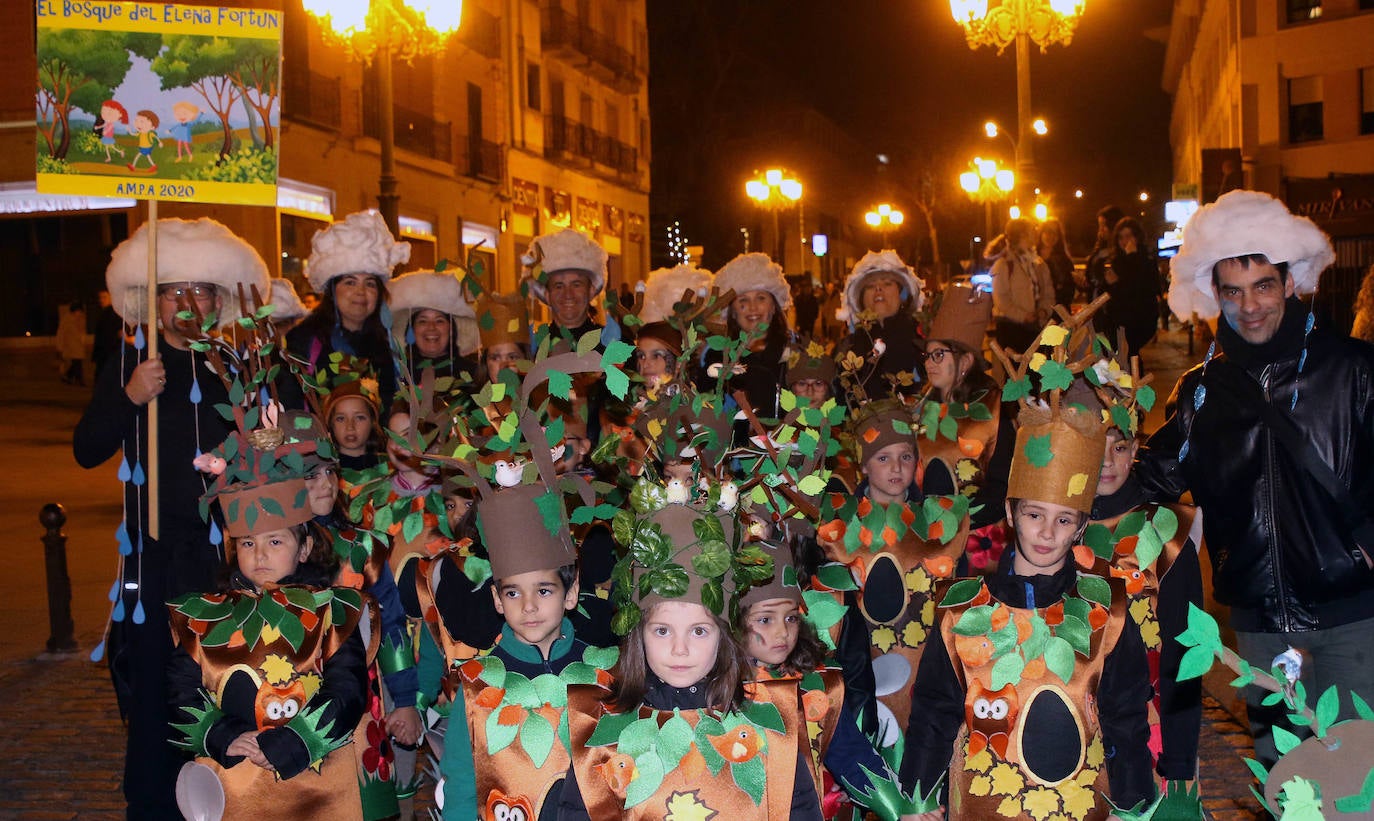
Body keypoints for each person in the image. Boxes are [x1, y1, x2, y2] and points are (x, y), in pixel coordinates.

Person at [1136, 189, 1374, 768]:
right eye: (1233, 291)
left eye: (1263, 285)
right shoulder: (1200, 391)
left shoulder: (1352, 370)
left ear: (1290, 283)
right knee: (1287, 780)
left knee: (1352, 782)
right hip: (1261, 630)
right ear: (1213, 293)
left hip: (1350, 614)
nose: (1250, 306)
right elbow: (1153, 479)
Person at [73, 217, 270, 820]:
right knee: (160, 684)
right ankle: (156, 804)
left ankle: (231, 794)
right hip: (154, 555)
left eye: (201, 290)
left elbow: (267, 454)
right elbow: (87, 448)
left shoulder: (235, 364)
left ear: (218, 297)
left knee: (226, 680)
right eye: (174, 291)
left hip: (225, 556)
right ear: (153, 299)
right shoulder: (135, 358)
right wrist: (129, 396)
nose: (189, 303)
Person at [901, 356, 1154, 820]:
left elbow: (1126, 717)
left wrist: (1134, 804)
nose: (1046, 533)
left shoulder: (1106, 611)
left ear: (1080, 528)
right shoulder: (962, 611)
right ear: (1012, 512)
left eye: (1063, 521)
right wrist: (918, 799)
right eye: (1034, 515)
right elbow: (934, 710)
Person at [558, 490, 826, 819]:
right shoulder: (603, 732)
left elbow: (800, 810)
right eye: (662, 630)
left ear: (725, 635)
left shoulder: (769, 727)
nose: (679, 649)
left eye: (699, 630)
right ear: (639, 634)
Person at [167, 424, 372, 820]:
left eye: (275, 541)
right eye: (248, 543)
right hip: (237, 780)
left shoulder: (331, 612)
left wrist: (294, 742)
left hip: (317, 781)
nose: (259, 555)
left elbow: (347, 689)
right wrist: (224, 734)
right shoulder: (206, 618)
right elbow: (180, 691)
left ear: (305, 547)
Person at [738, 541, 934, 820]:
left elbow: (850, 752)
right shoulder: (720, 690)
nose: (782, 632)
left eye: (791, 618)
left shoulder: (814, 687)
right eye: (765, 620)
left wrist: (899, 809)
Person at [815, 404, 966, 761]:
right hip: (862, 672)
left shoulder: (942, 521)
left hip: (928, 670)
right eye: (883, 458)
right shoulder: (840, 524)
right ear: (863, 466)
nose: (897, 467)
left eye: (905, 456)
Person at [917, 283, 1015, 569]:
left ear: (966, 361)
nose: (929, 364)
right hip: (926, 538)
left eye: (939, 355)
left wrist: (959, 522)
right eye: (927, 356)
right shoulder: (922, 404)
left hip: (979, 545)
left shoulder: (996, 407)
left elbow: (1002, 485)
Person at [287, 211, 409, 408]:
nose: (361, 292)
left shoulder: (387, 344)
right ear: (332, 290)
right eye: (350, 282)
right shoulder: (304, 340)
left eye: (370, 284)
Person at [709, 252, 795, 420]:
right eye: (743, 300)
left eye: (761, 298)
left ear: (773, 307)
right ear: (732, 312)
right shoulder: (716, 357)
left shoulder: (795, 352)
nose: (753, 307)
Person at [835, 250, 926, 402]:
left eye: (887, 283)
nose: (878, 289)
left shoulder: (922, 338)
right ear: (861, 299)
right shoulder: (847, 347)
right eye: (870, 286)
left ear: (901, 294)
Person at [388, 268, 480, 386]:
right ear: (411, 330)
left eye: (439, 321)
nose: (431, 327)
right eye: (422, 321)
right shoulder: (396, 374)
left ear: (451, 330)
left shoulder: (474, 374)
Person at [524, 227, 608, 342]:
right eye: (559, 286)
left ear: (591, 291)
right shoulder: (533, 350)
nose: (568, 294)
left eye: (576, 285)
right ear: (547, 295)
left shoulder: (614, 347)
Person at [1101, 217, 1162, 364]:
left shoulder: (1146, 258)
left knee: (1130, 357)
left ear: (1136, 236)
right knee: (1124, 359)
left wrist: (1132, 257)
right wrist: (1111, 283)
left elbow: (1144, 287)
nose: (1124, 241)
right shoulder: (1116, 260)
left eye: (1128, 236)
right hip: (1119, 321)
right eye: (1121, 237)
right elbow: (1115, 293)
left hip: (1140, 319)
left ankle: (1135, 384)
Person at [990, 218, 1054, 354]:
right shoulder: (1004, 264)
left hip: (1035, 327)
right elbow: (1000, 298)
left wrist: (1044, 310)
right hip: (1011, 329)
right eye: (1032, 230)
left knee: (1036, 372)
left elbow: (1048, 293)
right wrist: (1023, 315)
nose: (1036, 233)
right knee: (1016, 372)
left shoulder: (1039, 264)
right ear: (1022, 235)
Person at [1084, 205, 1125, 307]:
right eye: (1099, 225)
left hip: (1111, 306)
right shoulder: (1099, 250)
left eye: (1104, 225)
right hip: (1095, 304)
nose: (1101, 230)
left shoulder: (1122, 253)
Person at [1037, 218, 1076, 308]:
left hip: (1058, 308)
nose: (1051, 236)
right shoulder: (1032, 256)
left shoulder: (1064, 260)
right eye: (1048, 232)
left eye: (1055, 233)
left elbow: (1069, 288)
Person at [92, 288, 124, 382]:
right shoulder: (107, 313)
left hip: (109, 355)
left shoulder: (112, 313)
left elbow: (114, 335)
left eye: (104, 297)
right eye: (100, 297)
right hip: (106, 355)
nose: (101, 300)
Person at [56, 299, 87, 385]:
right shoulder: (66, 320)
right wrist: (60, 347)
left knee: (76, 364)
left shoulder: (80, 319)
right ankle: (79, 380)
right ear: (75, 310)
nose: (80, 313)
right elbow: (60, 334)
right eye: (79, 311)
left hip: (77, 346)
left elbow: (81, 332)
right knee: (77, 364)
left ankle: (67, 376)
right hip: (70, 347)